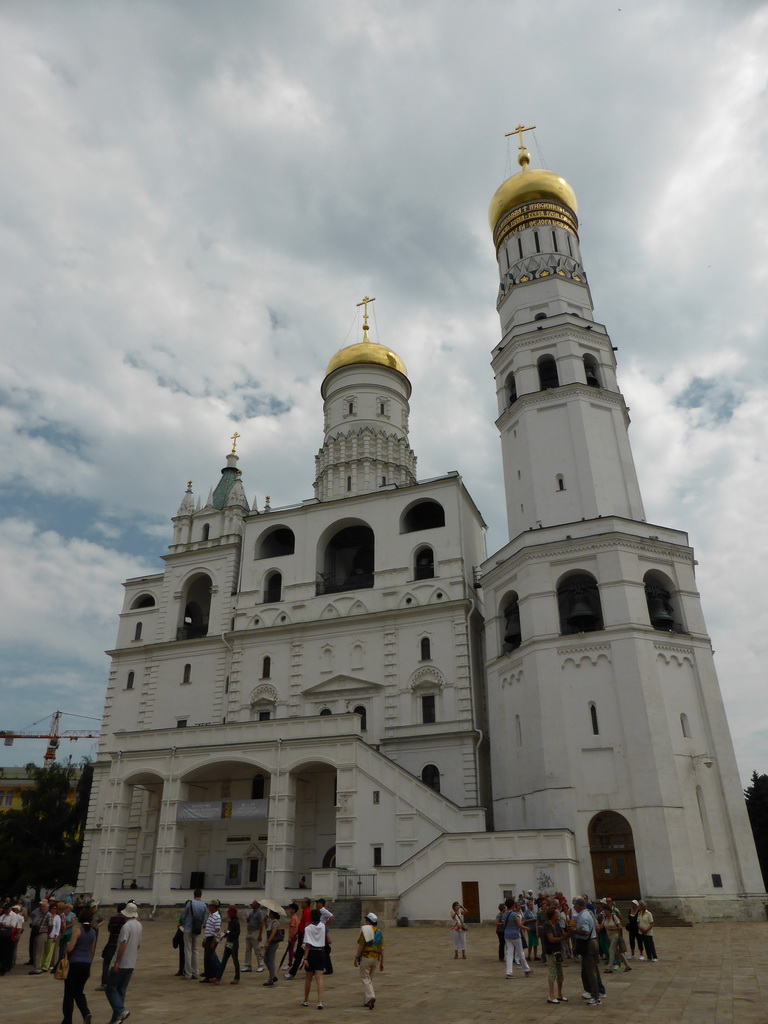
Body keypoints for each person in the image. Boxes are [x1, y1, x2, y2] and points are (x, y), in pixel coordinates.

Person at [105, 900, 142, 1024]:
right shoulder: (139, 925)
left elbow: (122, 944)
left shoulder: (126, 927)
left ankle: (120, 1011)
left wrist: (117, 962)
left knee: (111, 988)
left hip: (122, 962)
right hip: (131, 962)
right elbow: (137, 945)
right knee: (121, 990)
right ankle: (116, 1018)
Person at [61, 907, 98, 1024]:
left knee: (69, 994)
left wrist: (67, 945)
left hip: (75, 963)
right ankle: (86, 1013)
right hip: (86, 963)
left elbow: (70, 948)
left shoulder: (78, 930)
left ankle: (67, 1020)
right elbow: (92, 950)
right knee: (79, 992)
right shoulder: (93, 932)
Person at [572, 897, 601, 1006]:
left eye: (575, 905)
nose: (574, 907)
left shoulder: (584, 916)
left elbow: (585, 932)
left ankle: (595, 996)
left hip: (589, 944)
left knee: (591, 971)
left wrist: (574, 930)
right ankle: (593, 992)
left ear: (580, 906)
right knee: (587, 970)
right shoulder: (586, 914)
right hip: (589, 942)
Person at [354, 912, 384, 1009]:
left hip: (366, 957)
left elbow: (361, 945)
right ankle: (367, 1001)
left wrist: (356, 957)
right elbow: (382, 949)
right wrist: (382, 963)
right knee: (369, 979)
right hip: (375, 958)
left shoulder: (366, 930)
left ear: (368, 921)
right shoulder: (379, 932)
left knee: (365, 978)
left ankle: (371, 996)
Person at [301, 907, 329, 1009]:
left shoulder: (308, 928)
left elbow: (307, 944)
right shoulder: (323, 926)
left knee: (308, 979)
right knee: (320, 978)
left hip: (311, 953)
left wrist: (305, 958)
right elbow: (328, 940)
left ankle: (306, 1000)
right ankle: (320, 1002)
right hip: (321, 952)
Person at [541, 905, 568, 1004]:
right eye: (556, 913)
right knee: (552, 973)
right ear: (552, 915)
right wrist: (561, 938)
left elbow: (562, 934)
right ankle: (551, 995)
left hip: (558, 951)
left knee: (560, 973)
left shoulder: (556, 925)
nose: (558, 915)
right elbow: (551, 939)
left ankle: (560, 993)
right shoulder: (547, 925)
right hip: (551, 951)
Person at [97, 903, 126, 991]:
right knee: (118, 963)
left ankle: (105, 982)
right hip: (121, 943)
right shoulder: (125, 920)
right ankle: (116, 982)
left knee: (106, 962)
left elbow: (110, 929)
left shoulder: (113, 918)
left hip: (112, 943)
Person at [501, 898, 531, 979]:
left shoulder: (504, 914)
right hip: (515, 935)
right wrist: (528, 928)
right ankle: (526, 969)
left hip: (507, 935)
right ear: (513, 905)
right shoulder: (514, 914)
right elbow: (519, 925)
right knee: (520, 952)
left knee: (509, 953)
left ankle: (509, 972)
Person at [181, 888, 206, 980]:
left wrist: (184, 921)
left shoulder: (190, 903)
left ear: (194, 895)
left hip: (188, 928)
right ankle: (196, 972)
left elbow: (184, 916)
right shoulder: (203, 905)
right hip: (197, 929)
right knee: (195, 950)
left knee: (187, 950)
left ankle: (188, 973)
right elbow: (204, 919)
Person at [285, 897, 312, 979]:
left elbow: (307, 924)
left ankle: (292, 973)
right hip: (301, 934)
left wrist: (304, 936)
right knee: (303, 954)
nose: (301, 903)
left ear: (306, 903)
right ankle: (309, 971)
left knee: (300, 954)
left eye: (303, 902)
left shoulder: (307, 912)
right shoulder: (304, 911)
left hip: (303, 936)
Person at [216, 907, 241, 984]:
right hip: (229, 942)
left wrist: (228, 932)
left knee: (235, 960)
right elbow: (230, 932)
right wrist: (224, 935)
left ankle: (237, 977)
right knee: (224, 960)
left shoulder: (236, 923)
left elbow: (236, 934)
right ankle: (218, 978)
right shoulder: (230, 922)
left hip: (233, 943)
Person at [200, 899, 222, 982]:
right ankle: (210, 975)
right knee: (207, 958)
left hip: (212, 939)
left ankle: (210, 976)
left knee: (209, 958)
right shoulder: (211, 915)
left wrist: (214, 941)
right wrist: (204, 939)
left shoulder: (217, 917)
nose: (209, 907)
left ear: (214, 907)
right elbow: (208, 929)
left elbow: (217, 930)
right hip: (208, 938)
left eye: (210, 906)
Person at [242, 899, 265, 973]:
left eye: (253, 904)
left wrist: (260, 934)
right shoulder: (251, 912)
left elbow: (261, 924)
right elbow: (249, 920)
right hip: (249, 931)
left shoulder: (259, 913)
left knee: (257, 950)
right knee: (248, 949)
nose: (252, 904)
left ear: (257, 905)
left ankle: (261, 965)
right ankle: (247, 965)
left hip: (255, 932)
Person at [262, 909, 282, 985]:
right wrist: (265, 921)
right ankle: (273, 975)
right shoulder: (271, 922)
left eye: (270, 913)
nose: (269, 914)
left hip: (272, 943)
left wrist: (268, 941)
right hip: (270, 942)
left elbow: (273, 932)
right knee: (266, 959)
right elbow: (268, 929)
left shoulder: (275, 922)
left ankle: (271, 979)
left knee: (270, 960)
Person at [316, 898, 334, 974]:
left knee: (325, 949)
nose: (316, 904)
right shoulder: (319, 911)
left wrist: (327, 925)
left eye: (318, 903)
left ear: (321, 904)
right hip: (320, 930)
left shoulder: (323, 910)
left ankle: (328, 968)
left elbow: (331, 916)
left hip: (322, 930)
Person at [286, 902, 300, 968]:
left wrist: (290, 937)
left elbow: (292, 927)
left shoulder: (293, 918)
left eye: (291, 908)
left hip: (293, 935)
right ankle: (298, 959)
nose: (290, 910)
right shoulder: (295, 917)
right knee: (291, 949)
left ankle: (290, 964)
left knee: (290, 950)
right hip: (295, 935)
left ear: (294, 910)